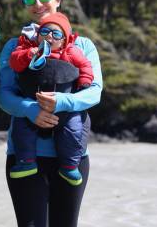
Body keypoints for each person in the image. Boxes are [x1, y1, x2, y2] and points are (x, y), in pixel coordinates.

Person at [0, 0, 103, 227]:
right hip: (24, 156)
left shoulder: (83, 45)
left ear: (58, 0)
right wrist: (31, 110)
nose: (37, 3)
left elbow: (94, 92)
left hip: (72, 158)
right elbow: (4, 95)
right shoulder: (15, 47)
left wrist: (61, 102)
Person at [8, 12, 94, 186]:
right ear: (38, 35)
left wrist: (85, 81)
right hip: (32, 106)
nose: (50, 36)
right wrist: (28, 54)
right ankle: (26, 162)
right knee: (21, 128)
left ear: (64, 40)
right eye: (45, 32)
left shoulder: (72, 52)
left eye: (56, 34)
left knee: (74, 127)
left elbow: (86, 66)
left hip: (65, 111)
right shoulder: (26, 48)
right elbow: (14, 63)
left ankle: (70, 165)